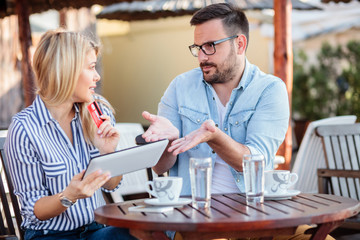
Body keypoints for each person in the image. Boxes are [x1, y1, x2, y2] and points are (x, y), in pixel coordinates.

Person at [142, 3, 335, 240]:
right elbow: (160, 167)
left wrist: (215, 137)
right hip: (194, 222)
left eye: (210, 46)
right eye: (198, 48)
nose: (202, 57)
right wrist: (168, 141)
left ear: (240, 44)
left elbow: (257, 163)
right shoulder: (179, 87)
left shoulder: (269, 90)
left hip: (259, 219)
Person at [4, 29, 136, 240]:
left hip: (96, 230)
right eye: (91, 67)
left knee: (149, 234)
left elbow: (113, 185)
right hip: (50, 236)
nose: (97, 76)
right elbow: (32, 209)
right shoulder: (25, 129)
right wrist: (69, 196)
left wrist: (108, 153)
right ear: (67, 71)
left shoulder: (98, 113)